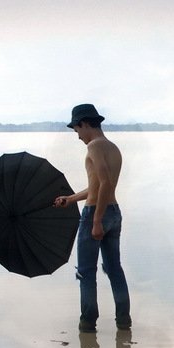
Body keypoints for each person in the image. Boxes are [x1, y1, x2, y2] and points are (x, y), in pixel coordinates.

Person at [50, 103, 130, 333]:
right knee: (114, 269)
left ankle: (88, 323)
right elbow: (99, 186)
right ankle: (124, 321)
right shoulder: (113, 147)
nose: (78, 136)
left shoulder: (94, 146)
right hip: (114, 212)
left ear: (85, 124)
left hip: (97, 213)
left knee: (86, 272)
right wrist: (70, 199)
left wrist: (96, 220)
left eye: (77, 130)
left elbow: (104, 184)